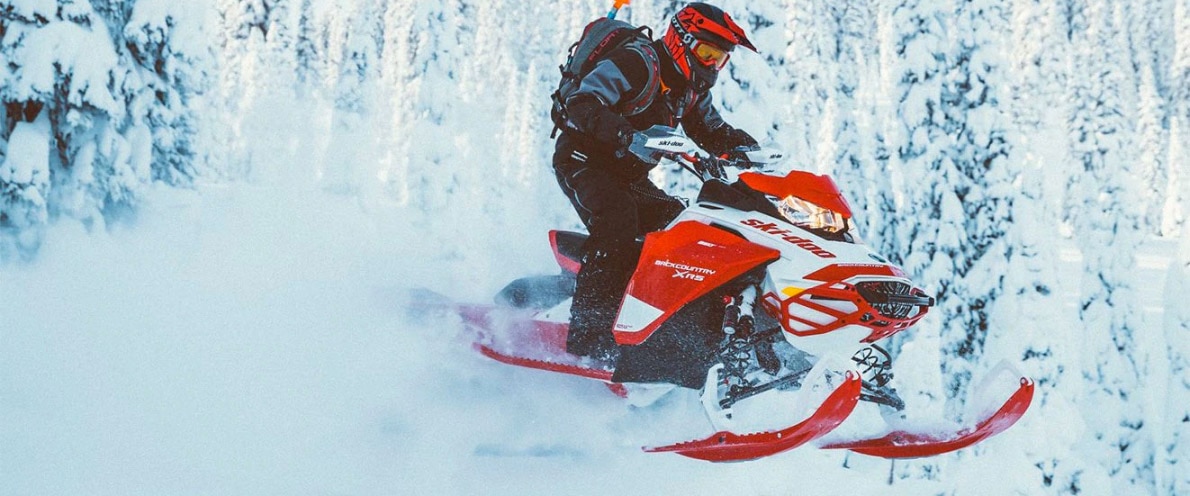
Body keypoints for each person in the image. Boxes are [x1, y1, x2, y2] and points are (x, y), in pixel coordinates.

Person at [552, 2, 761, 361]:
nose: (711, 64)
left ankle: (672, 333)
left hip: (627, 175)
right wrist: (627, 135)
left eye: (718, 59)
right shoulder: (637, 64)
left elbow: (712, 130)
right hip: (583, 161)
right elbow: (582, 103)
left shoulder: (689, 91)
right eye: (706, 53)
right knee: (617, 223)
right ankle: (588, 341)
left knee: (687, 229)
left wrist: (752, 152)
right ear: (681, 40)